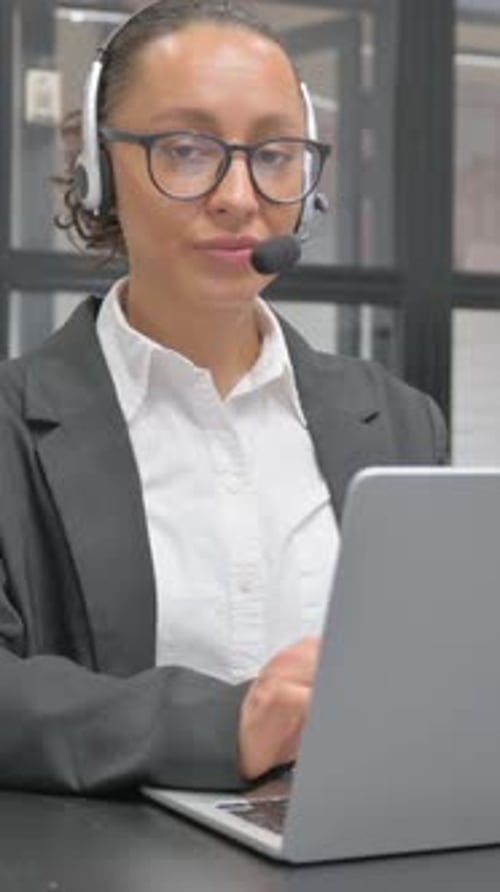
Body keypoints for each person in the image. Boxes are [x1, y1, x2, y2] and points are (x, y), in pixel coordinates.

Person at [0, 0, 446, 795]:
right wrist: (224, 726)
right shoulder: (11, 428)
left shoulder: (401, 422)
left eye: (274, 154)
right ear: (99, 170)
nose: (240, 195)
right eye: (186, 149)